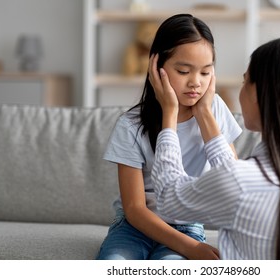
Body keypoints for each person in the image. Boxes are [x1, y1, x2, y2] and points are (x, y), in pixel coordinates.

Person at [150, 37, 280, 259]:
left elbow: (169, 199)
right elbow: (233, 182)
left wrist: (169, 114)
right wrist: (204, 113)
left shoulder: (241, 181)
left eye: (245, 82)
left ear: (258, 94)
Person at [96, 14, 242, 260]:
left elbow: (234, 179)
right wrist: (170, 113)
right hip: (134, 228)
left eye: (206, 73)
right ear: (157, 66)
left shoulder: (215, 110)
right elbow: (134, 209)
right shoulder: (130, 125)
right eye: (184, 71)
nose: (195, 82)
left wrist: (205, 113)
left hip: (187, 225)